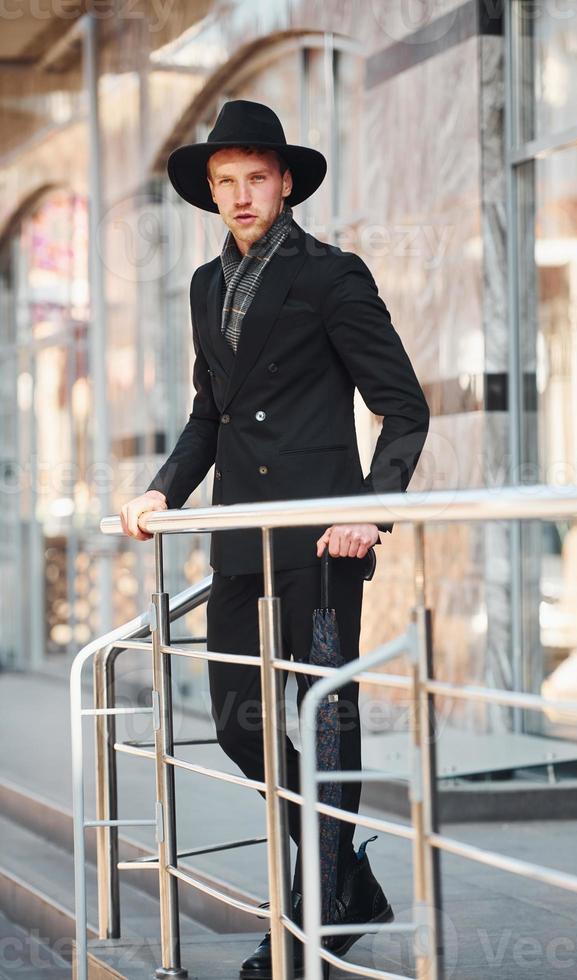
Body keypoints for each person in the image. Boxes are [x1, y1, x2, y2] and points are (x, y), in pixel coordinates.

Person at [120, 99, 430, 978]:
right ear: (211, 194)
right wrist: (159, 489)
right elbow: (207, 417)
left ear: (285, 182)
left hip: (323, 545)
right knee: (235, 723)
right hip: (237, 542)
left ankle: (314, 914)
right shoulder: (205, 286)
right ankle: (347, 881)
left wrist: (372, 507)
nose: (242, 195)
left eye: (257, 177)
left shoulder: (333, 276)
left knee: (325, 728)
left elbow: (403, 407)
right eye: (227, 182)